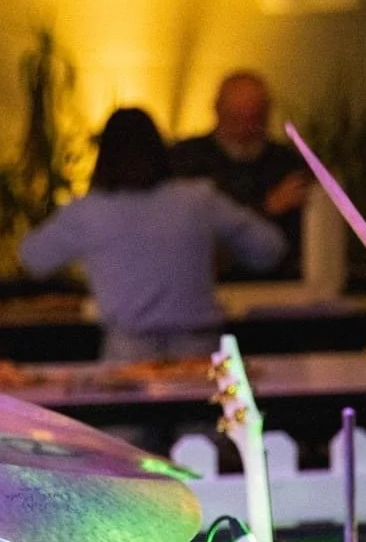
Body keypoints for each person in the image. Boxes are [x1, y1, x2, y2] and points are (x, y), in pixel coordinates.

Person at [20, 107, 285, 361]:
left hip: (127, 354)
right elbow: (270, 248)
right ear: (160, 149)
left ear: (104, 155)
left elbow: (32, 258)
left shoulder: (88, 211)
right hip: (199, 352)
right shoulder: (198, 199)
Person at [170, 70, 310, 278]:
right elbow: (189, 233)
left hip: (280, 282)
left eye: (254, 117)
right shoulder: (185, 160)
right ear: (218, 110)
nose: (245, 127)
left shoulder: (287, 163)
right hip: (210, 282)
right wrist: (268, 208)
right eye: (236, 118)